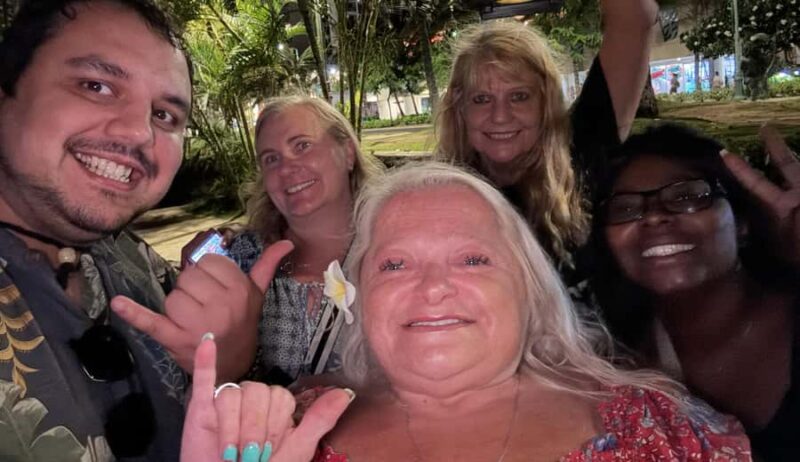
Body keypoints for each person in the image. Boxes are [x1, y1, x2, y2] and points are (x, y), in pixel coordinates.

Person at [181, 162, 751, 462]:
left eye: (474, 259)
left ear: (528, 286)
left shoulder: (664, 425)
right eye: (395, 265)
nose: (432, 289)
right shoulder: (283, 430)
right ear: (360, 295)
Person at [0, 0, 268, 459]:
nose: (141, 133)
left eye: (165, 115)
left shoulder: (133, 260)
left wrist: (227, 364)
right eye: (97, 86)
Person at [592, 123, 799, 460]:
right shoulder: (616, 371)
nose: (654, 217)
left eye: (687, 197)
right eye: (626, 208)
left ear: (742, 222)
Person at [434, 2, 658, 309]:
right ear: (460, 108)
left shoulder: (584, 144)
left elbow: (634, 16)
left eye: (519, 96)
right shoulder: (440, 198)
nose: (500, 116)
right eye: (482, 98)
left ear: (545, 100)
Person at [181, 95, 384, 385]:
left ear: (348, 152)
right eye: (271, 159)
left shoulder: (395, 248)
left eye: (302, 146)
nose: (286, 169)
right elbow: (201, 380)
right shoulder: (238, 260)